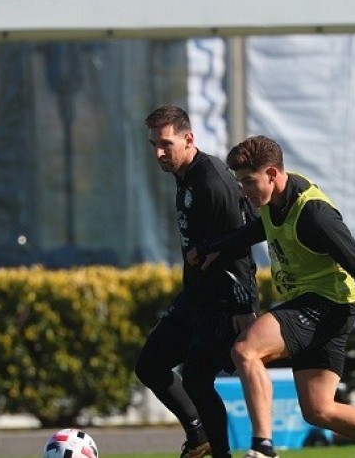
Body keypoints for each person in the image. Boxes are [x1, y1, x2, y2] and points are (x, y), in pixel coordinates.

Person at [187, 135, 355, 458]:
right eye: (241, 183)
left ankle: (263, 447)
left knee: (245, 350)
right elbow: (253, 232)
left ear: (273, 174)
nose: (245, 191)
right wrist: (212, 248)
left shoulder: (314, 214)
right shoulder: (271, 203)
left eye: (249, 182)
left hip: (326, 304)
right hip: (315, 304)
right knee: (319, 409)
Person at [135, 105, 260, 458]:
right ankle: (198, 438)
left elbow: (242, 242)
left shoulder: (212, 180)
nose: (159, 153)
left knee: (197, 379)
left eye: (165, 144)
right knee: (150, 365)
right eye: (153, 146)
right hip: (196, 297)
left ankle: (218, 452)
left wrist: (243, 306)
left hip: (224, 301)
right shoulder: (186, 175)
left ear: (188, 138)